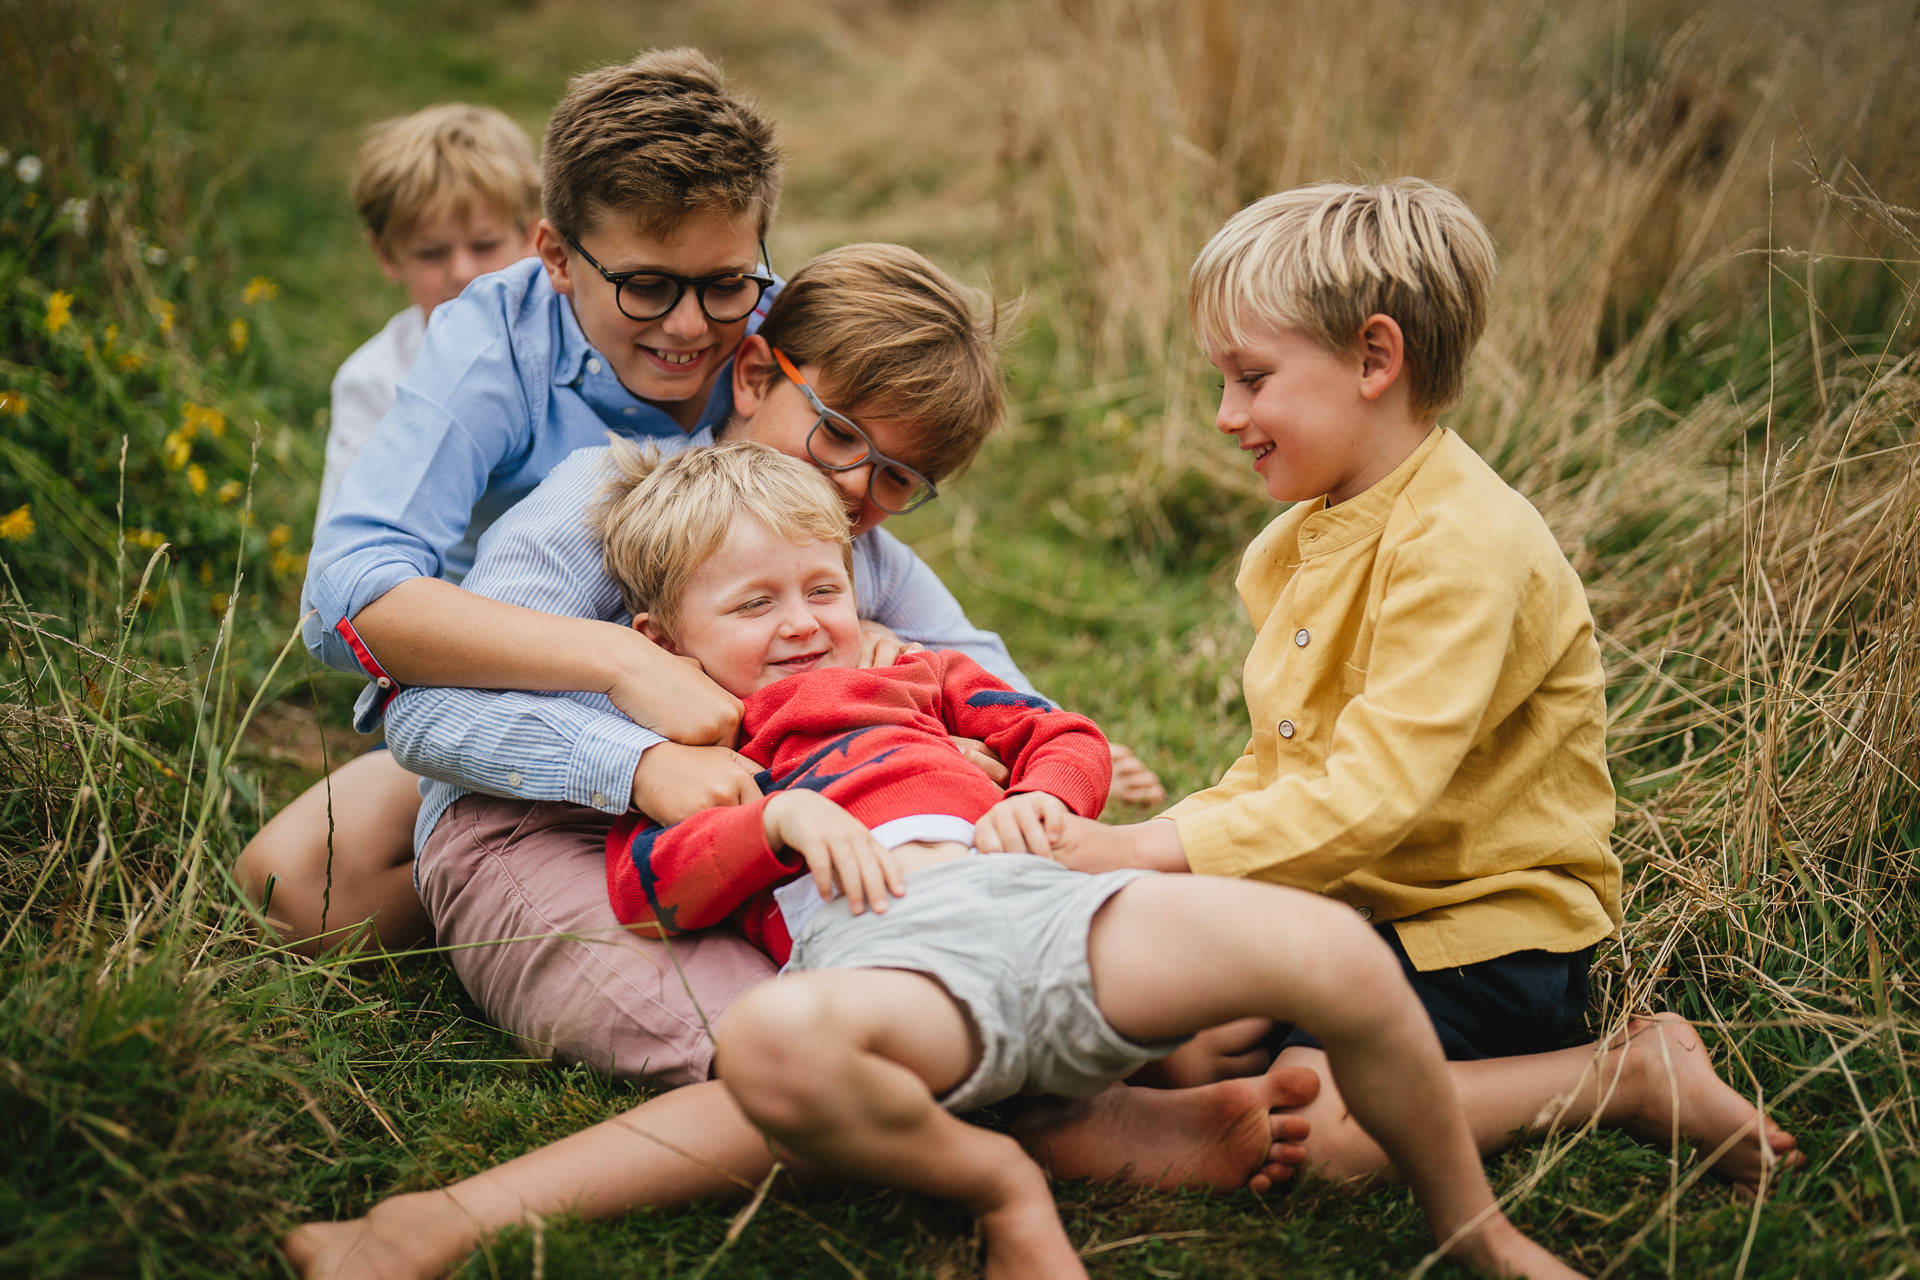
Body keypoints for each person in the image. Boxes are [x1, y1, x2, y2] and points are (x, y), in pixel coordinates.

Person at [285, 441, 1577, 1280]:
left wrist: (1050, 803)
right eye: (754, 605)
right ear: (659, 636)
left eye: (821, 589)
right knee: (769, 1049)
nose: (802, 625)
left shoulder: (909, 673)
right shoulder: (685, 741)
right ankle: (998, 1181)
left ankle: (1479, 1226)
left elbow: (1054, 733)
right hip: (896, 964)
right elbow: (654, 892)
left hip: (1047, 903)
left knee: (1326, 948)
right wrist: (780, 823)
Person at [238, 52, 1161, 958]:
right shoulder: (491, 349)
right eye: (645, 286)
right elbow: (343, 601)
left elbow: (899, 576)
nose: (690, 327)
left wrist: (1021, 734)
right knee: (296, 893)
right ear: (557, 257)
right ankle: (537, 891)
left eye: (726, 286)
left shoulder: (776, 351)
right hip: (501, 670)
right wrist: (616, 665)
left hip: (743, 706)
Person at [1030, 178, 1802, 1188]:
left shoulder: (1462, 544)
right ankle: (1234, 1064)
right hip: (1354, 905)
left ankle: (1625, 1072)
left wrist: (1141, 845)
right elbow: (1279, 769)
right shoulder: (1301, 541)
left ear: (1375, 357)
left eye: (1251, 377)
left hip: (1475, 932)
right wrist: (1154, 877)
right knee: (1182, 1027)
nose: (1226, 414)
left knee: (1324, 1138)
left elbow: (1376, 797)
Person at [388, 243, 1165, 1084]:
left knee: (908, 987)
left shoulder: (865, 557)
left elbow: (1000, 689)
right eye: (837, 434)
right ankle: (1083, 1129)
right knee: (759, 1047)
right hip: (537, 822)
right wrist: (642, 762)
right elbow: (424, 711)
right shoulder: (610, 500)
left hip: (753, 844)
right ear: (755, 377)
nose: (852, 487)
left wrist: (1005, 757)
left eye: (899, 479)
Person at [316, 103, 541, 530]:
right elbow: (340, 540)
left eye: (485, 245)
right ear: (386, 254)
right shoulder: (375, 383)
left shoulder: (573, 336)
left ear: (532, 234)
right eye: (432, 253)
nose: (463, 273)